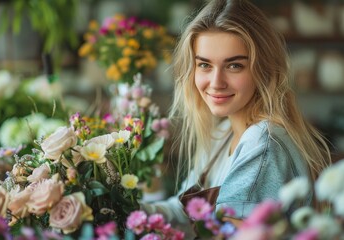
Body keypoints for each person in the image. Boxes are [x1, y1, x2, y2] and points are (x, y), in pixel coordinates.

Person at [141, 0, 331, 228]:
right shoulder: (224, 133)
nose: (216, 82)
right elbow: (181, 210)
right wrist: (119, 209)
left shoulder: (262, 143)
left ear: (263, 69)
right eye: (204, 65)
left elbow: (229, 233)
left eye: (234, 66)